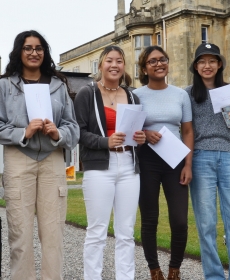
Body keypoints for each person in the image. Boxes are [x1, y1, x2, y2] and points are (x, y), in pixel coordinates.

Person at [0, 30, 79, 280]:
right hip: (18, 158)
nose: (34, 52)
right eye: (28, 48)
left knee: (53, 234)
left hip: (52, 160)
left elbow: (73, 127)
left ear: (44, 52)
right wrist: (24, 131)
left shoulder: (58, 85)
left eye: (39, 48)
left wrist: (58, 133)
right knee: (19, 233)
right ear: (19, 52)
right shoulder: (4, 85)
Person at [74, 45, 146, 280]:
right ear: (101, 65)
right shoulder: (87, 93)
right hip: (99, 168)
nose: (114, 65)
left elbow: (136, 129)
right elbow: (79, 133)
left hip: (128, 166)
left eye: (119, 61)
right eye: (109, 61)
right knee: (97, 232)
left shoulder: (133, 95)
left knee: (126, 233)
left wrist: (141, 137)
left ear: (124, 66)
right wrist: (106, 142)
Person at [185, 43, 230, 280]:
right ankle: (213, 276)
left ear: (219, 64)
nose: (207, 66)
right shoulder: (188, 94)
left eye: (212, 61)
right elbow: (183, 129)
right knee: (206, 224)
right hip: (201, 157)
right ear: (196, 66)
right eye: (202, 62)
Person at [133, 46, 194, 280]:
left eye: (163, 60)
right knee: (150, 219)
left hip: (175, 160)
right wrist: (145, 134)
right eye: (152, 61)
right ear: (144, 68)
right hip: (147, 159)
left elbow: (188, 131)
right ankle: (154, 270)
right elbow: (131, 128)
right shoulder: (136, 95)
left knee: (179, 220)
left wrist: (188, 164)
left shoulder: (181, 95)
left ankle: (174, 269)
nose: (159, 64)